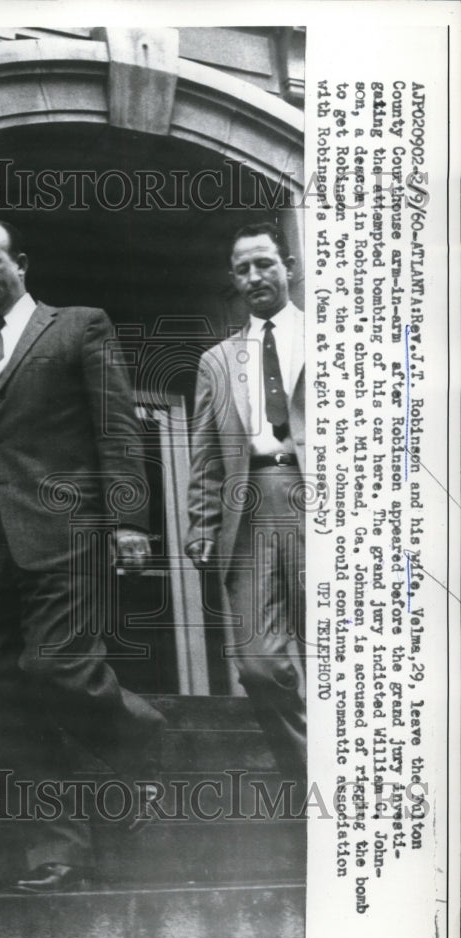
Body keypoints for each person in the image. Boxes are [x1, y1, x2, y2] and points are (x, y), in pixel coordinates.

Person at [0, 218, 166, 892]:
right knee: (5, 703)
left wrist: (128, 520)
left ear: (19, 262)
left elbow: (115, 427)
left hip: (64, 535)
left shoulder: (78, 326)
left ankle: (141, 738)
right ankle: (55, 847)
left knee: (56, 664)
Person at [185, 222, 306, 782]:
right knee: (260, 666)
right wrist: (201, 525)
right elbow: (206, 456)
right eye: (243, 269)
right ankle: (314, 780)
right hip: (251, 507)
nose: (255, 276)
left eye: (265, 263)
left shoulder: (339, 336)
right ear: (233, 280)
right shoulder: (217, 361)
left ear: (289, 267)